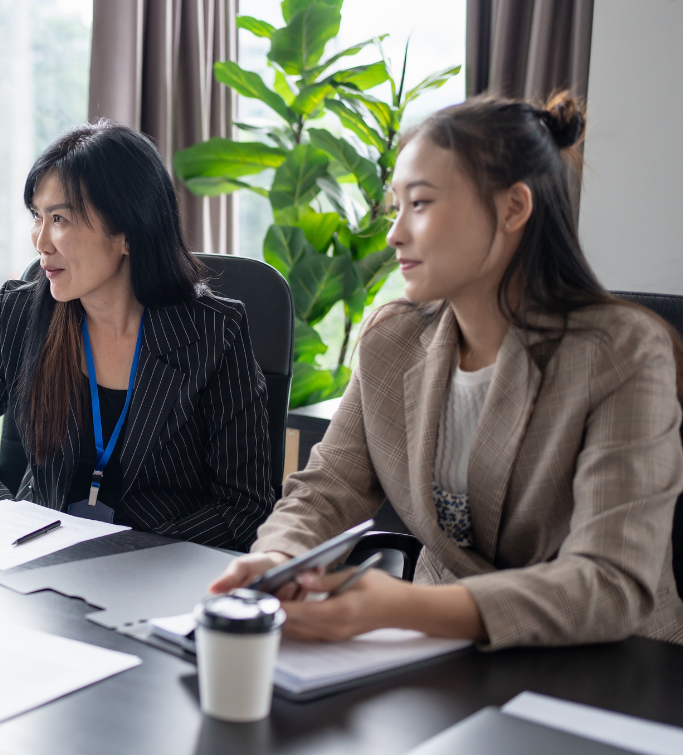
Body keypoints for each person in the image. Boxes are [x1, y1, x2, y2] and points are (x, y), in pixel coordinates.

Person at [210, 92, 683, 649]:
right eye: (397, 206)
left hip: (609, 670)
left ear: (513, 209)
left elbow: (610, 582)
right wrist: (277, 558)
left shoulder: (623, 352)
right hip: (439, 660)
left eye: (422, 204)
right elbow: (327, 488)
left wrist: (406, 606)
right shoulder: (393, 340)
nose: (394, 233)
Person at [0, 122, 276, 550]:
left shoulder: (214, 334)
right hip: (34, 561)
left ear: (128, 232)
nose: (41, 241)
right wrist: (12, 518)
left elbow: (245, 506)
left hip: (154, 578)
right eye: (37, 216)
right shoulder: (21, 313)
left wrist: (128, 554)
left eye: (60, 219)